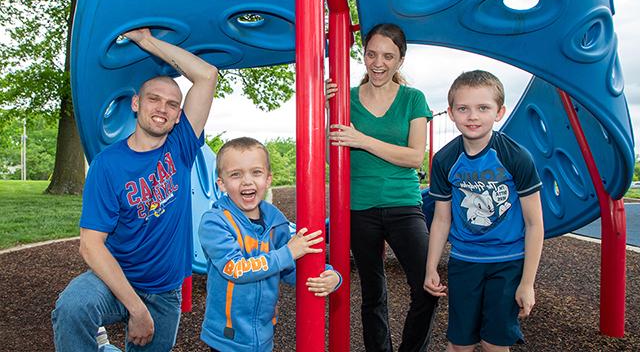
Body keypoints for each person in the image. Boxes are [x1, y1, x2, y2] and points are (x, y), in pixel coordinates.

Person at [51, 27, 219, 351]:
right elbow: (90, 246)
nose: (162, 108)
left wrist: (146, 41)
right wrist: (136, 309)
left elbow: (207, 75)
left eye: (172, 104)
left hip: (164, 292)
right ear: (135, 103)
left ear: (178, 116)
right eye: (154, 99)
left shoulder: (181, 146)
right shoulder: (107, 165)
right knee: (72, 306)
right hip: (114, 281)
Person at [326, 23, 439, 352]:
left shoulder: (412, 99)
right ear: (363, 55)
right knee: (372, 292)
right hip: (359, 206)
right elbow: (332, 159)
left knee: (427, 287)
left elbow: (415, 156)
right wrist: (323, 106)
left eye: (388, 56)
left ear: (400, 60)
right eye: (372, 54)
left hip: (403, 203)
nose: (378, 62)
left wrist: (362, 139)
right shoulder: (345, 99)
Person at [423, 70, 544, 352]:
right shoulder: (445, 160)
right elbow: (441, 219)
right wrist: (431, 267)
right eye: (463, 108)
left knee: (494, 344)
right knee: (460, 343)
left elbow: (534, 223)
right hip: (465, 261)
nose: (472, 116)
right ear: (451, 113)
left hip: (508, 262)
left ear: (499, 112)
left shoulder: (516, 157)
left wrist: (528, 283)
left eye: (483, 108)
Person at [198, 137, 341, 352]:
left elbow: (290, 268)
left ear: (268, 179)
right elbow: (235, 269)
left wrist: (328, 275)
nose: (247, 181)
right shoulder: (215, 222)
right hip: (228, 337)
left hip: (263, 334)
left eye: (256, 172)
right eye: (236, 174)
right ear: (222, 183)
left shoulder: (276, 222)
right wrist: (287, 252)